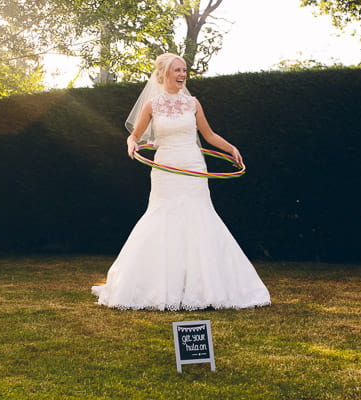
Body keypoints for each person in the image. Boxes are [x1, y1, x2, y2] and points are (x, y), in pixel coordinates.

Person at [91, 53, 270, 310]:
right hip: (166, 169)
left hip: (193, 165)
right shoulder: (152, 105)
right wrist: (132, 145)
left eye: (184, 70)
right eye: (177, 70)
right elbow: (136, 136)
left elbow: (208, 135)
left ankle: (205, 288)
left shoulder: (193, 103)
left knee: (199, 218)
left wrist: (231, 148)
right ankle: (154, 287)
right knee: (162, 218)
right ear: (163, 74)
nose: (182, 75)